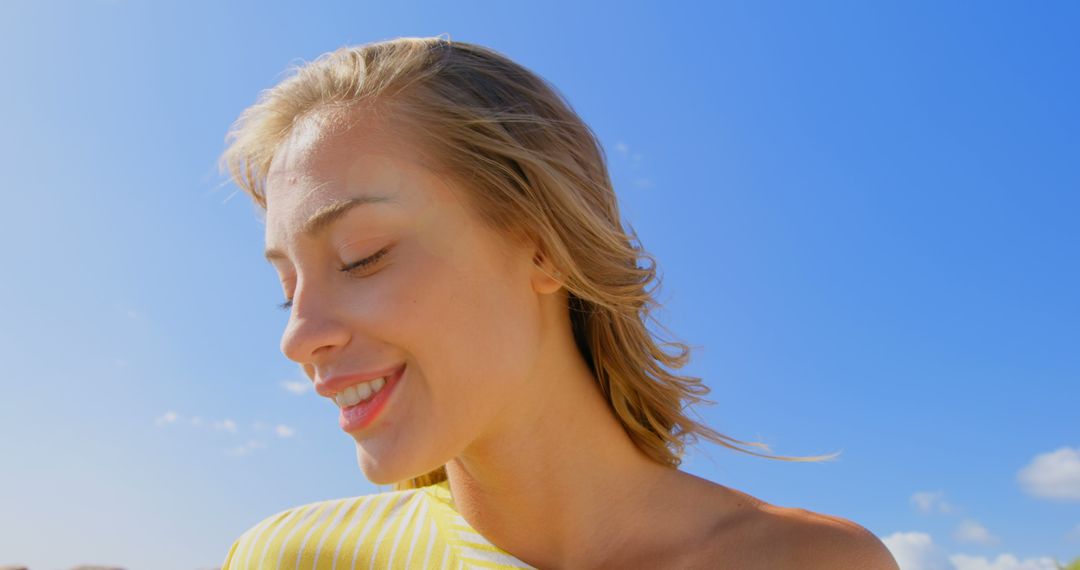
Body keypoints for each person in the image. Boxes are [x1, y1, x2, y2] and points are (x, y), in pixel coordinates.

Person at [215, 35, 899, 570]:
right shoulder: (289, 558)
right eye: (288, 288)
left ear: (542, 245)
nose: (299, 336)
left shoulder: (816, 564)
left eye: (363, 255)